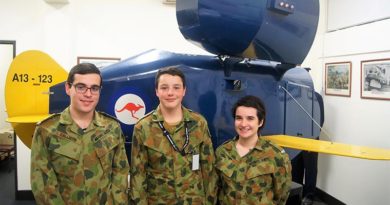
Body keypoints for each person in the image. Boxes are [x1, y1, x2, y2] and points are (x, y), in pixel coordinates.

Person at [30, 63, 130, 205]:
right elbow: (42, 184)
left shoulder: (112, 128)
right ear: (68, 88)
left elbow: (120, 173)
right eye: (81, 87)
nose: (88, 94)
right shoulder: (46, 130)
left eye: (94, 88)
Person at [130, 66, 217, 205]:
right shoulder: (143, 127)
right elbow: (138, 176)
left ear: (184, 91)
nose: (170, 93)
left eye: (176, 87)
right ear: (157, 91)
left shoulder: (198, 123)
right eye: (164, 88)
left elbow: (208, 170)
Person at [215, 95, 292, 205]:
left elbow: (281, 195)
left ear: (260, 122)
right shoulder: (222, 152)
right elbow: (218, 188)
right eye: (239, 118)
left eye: (250, 118)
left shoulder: (276, 155)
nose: (243, 124)